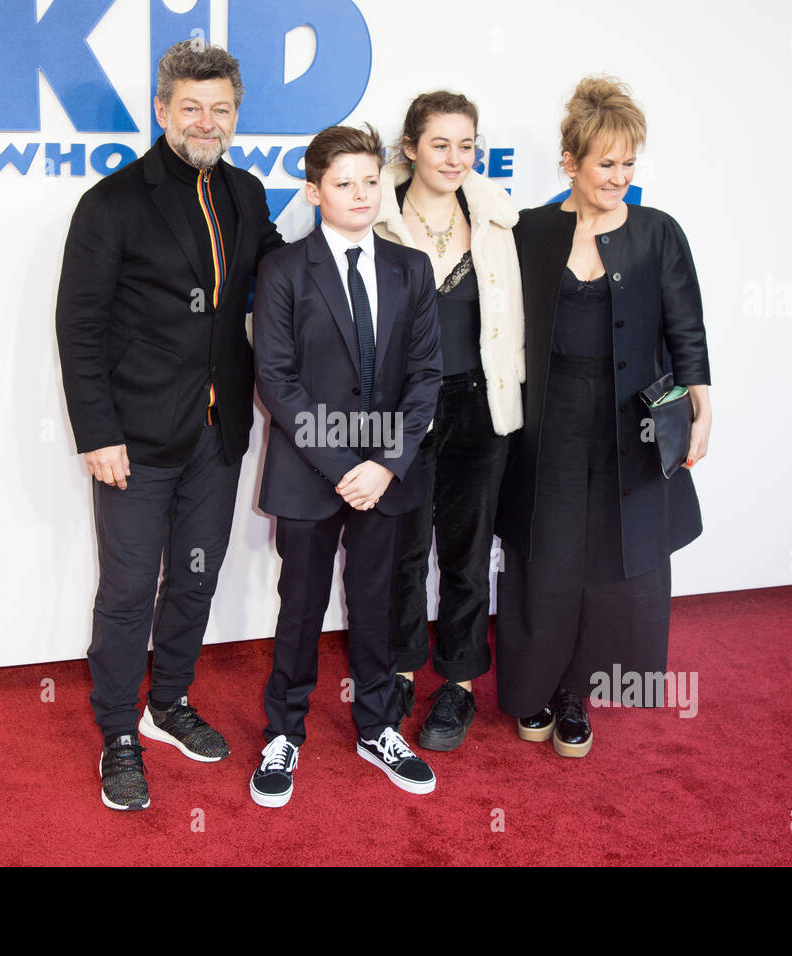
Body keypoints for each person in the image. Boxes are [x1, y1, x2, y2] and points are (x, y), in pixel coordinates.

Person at [55, 41, 284, 811]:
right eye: (192, 107)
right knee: (125, 592)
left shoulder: (247, 195)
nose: (207, 121)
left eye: (221, 109)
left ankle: (169, 703)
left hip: (217, 440)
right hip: (135, 442)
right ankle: (118, 728)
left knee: (194, 579)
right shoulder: (113, 202)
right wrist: (97, 433)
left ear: (236, 114)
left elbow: (282, 278)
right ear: (162, 111)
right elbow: (78, 325)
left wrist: (359, 238)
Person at [495, 75, 713, 757]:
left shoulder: (657, 233)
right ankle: (532, 688)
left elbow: (688, 329)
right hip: (550, 423)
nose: (619, 177)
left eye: (628, 164)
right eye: (605, 164)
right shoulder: (528, 230)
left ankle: (575, 699)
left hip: (632, 428)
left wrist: (702, 406)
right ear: (570, 163)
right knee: (545, 558)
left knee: (614, 563)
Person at [248, 124, 443, 808]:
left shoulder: (411, 267)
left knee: (378, 604)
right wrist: (341, 465)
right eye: (343, 182)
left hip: (388, 476)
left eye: (370, 180)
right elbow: (276, 379)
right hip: (310, 471)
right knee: (299, 607)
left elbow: (426, 375)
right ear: (314, 191)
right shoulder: (281, 271)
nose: (360, 194)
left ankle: (379, 726)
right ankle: (284, 731)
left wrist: (386, 465)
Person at [372, 91, 524, 751]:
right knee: (402, 552)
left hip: (479, 407)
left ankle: (459, 684)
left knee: (467, 554)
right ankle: (401, 669)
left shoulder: (495, 217)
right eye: (440, 144)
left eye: (467, 145)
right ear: (410, 148)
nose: (455, 157)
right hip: (403, 412)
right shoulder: (372, 217)